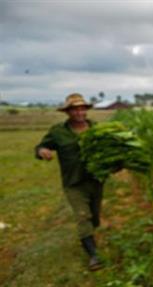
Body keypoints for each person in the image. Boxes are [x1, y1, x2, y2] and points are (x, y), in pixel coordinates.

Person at [35, 93, 104, 271]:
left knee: (94, 217)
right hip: (73, 183)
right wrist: (43, 151)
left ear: (86, 110)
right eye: (75, 109)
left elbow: (108, 151)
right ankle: (93, 256)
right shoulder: (58, 131)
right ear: (68, 112)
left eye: (82, 108)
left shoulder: (98, 129)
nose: (79, 112)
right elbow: (41, 146)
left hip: (96, 180)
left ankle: (90, 234)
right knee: (83, 216)